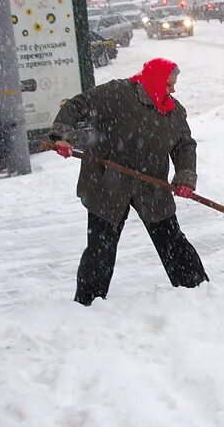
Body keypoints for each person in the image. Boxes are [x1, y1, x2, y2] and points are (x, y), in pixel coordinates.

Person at [49, 58, 209, 305]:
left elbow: (184, 145)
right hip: (107, 181)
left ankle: (198, 290)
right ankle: (88, 304)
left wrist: (185, 177)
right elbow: (77, 104)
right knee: (101, 247)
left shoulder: (173, 111)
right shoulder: (117, 94)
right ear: (155, 80)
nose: (173, 90)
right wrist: (62, 136)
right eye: (169, 84)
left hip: (151, 184)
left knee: (171, 240)